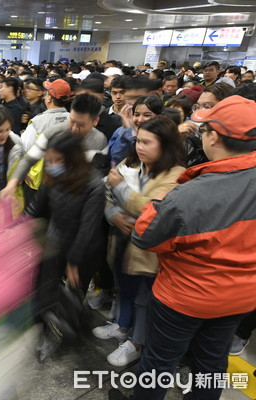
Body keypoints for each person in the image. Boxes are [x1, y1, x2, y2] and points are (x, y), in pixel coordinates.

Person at [109, 96, 256, 400]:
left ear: (213, 136)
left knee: (159, 363)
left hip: (185, 297)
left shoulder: (190, 193)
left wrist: (152, 207)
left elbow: (146, 237)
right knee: (211, 363)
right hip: (241, 297)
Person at [95, 116, 186, 368]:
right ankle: (122, 327)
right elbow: (107, 192)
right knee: (124, 288)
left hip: (150, 252)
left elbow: (151, 208)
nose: (139, 147)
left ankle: (137, 343)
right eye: (138, 141)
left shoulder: (177, 175)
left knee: (144, 298)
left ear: (166, 145)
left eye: (147, 142)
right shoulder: (133, 162)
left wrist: (121, 188)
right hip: (123, 241)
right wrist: (112, 214)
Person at [26, 132, 106, 361]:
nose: (52, 165)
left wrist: (74, 261)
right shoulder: (52, 177)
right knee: (44, 293)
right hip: (53, 245)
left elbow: (88, 229)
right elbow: (36, 209)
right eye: (48, 160)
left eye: (57, 160)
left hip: (82, 253)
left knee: (70, 299)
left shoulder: (93, 185)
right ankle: (44, 333)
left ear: (73, 158)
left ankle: (62, 334)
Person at [1, 93, 108, 199]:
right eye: (72, 121)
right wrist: (12, 183)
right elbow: (29, 159)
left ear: (95, 121)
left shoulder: (100, 141)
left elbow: (97, 178)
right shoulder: (53, 133)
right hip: (50, 195)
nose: (74, 128)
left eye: (81, 125)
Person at [20, 79, 71, 197]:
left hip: (38, 181)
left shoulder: (38, 121)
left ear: (49, 98)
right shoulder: (73, 120)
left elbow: (25, 148)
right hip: (65, 181)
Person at [108, 95, 164, 165]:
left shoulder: (165, 134)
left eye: (147, 115)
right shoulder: (121, 131)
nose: (140, 120)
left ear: (159, 116)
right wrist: (127, 133)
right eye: (137, 115)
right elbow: (116, 159)